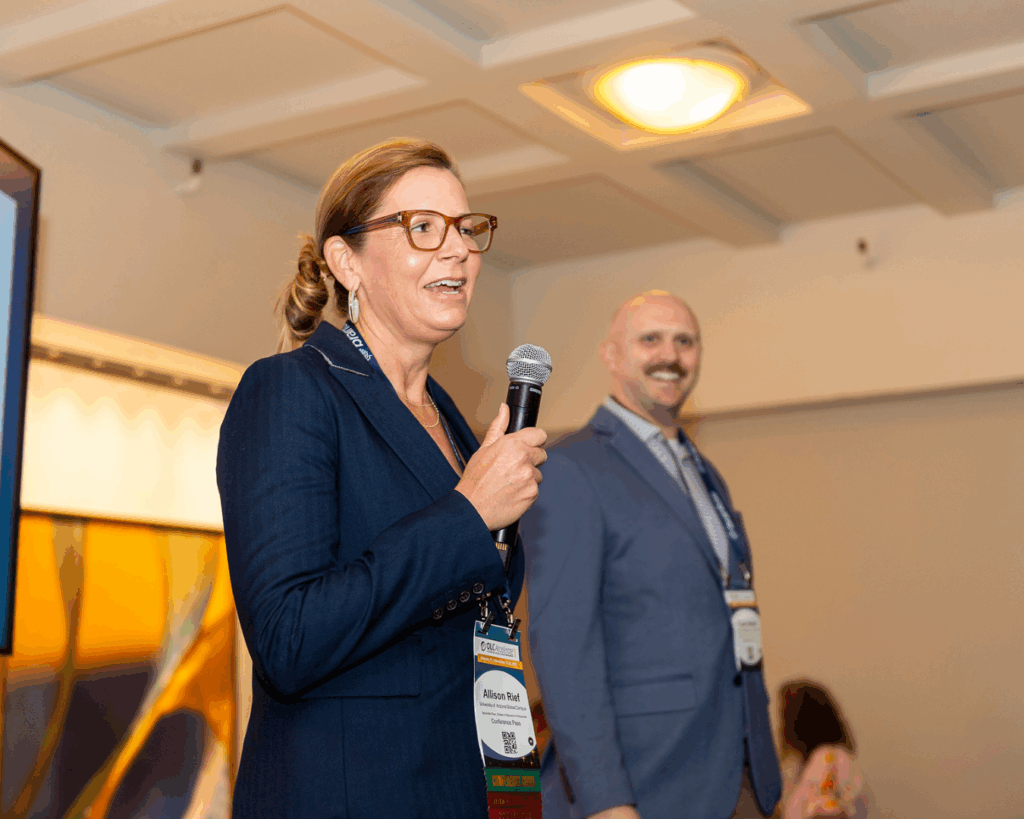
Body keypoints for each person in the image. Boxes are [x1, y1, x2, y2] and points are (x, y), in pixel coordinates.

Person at [216, 138, 547, 818]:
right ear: (347, 262)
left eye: (467, 228)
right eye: (423, 227)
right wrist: (466, 514)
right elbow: (288, 635)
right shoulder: (291, 391)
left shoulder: (457, 426)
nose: (457, 250)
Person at [521, 291, 782, 819]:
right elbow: (564, 648)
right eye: (650, 339)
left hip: (740, 777)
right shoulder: (572, 469)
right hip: (643, 784)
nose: (671, 355)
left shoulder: (705, 474)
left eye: (685, 341)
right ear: (611, 356)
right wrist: (606, 800)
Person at [777, 681, 876, 819]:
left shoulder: (829, 761)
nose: (781, 725)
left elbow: (827, 812)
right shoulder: (813, 763)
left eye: (785, 714)